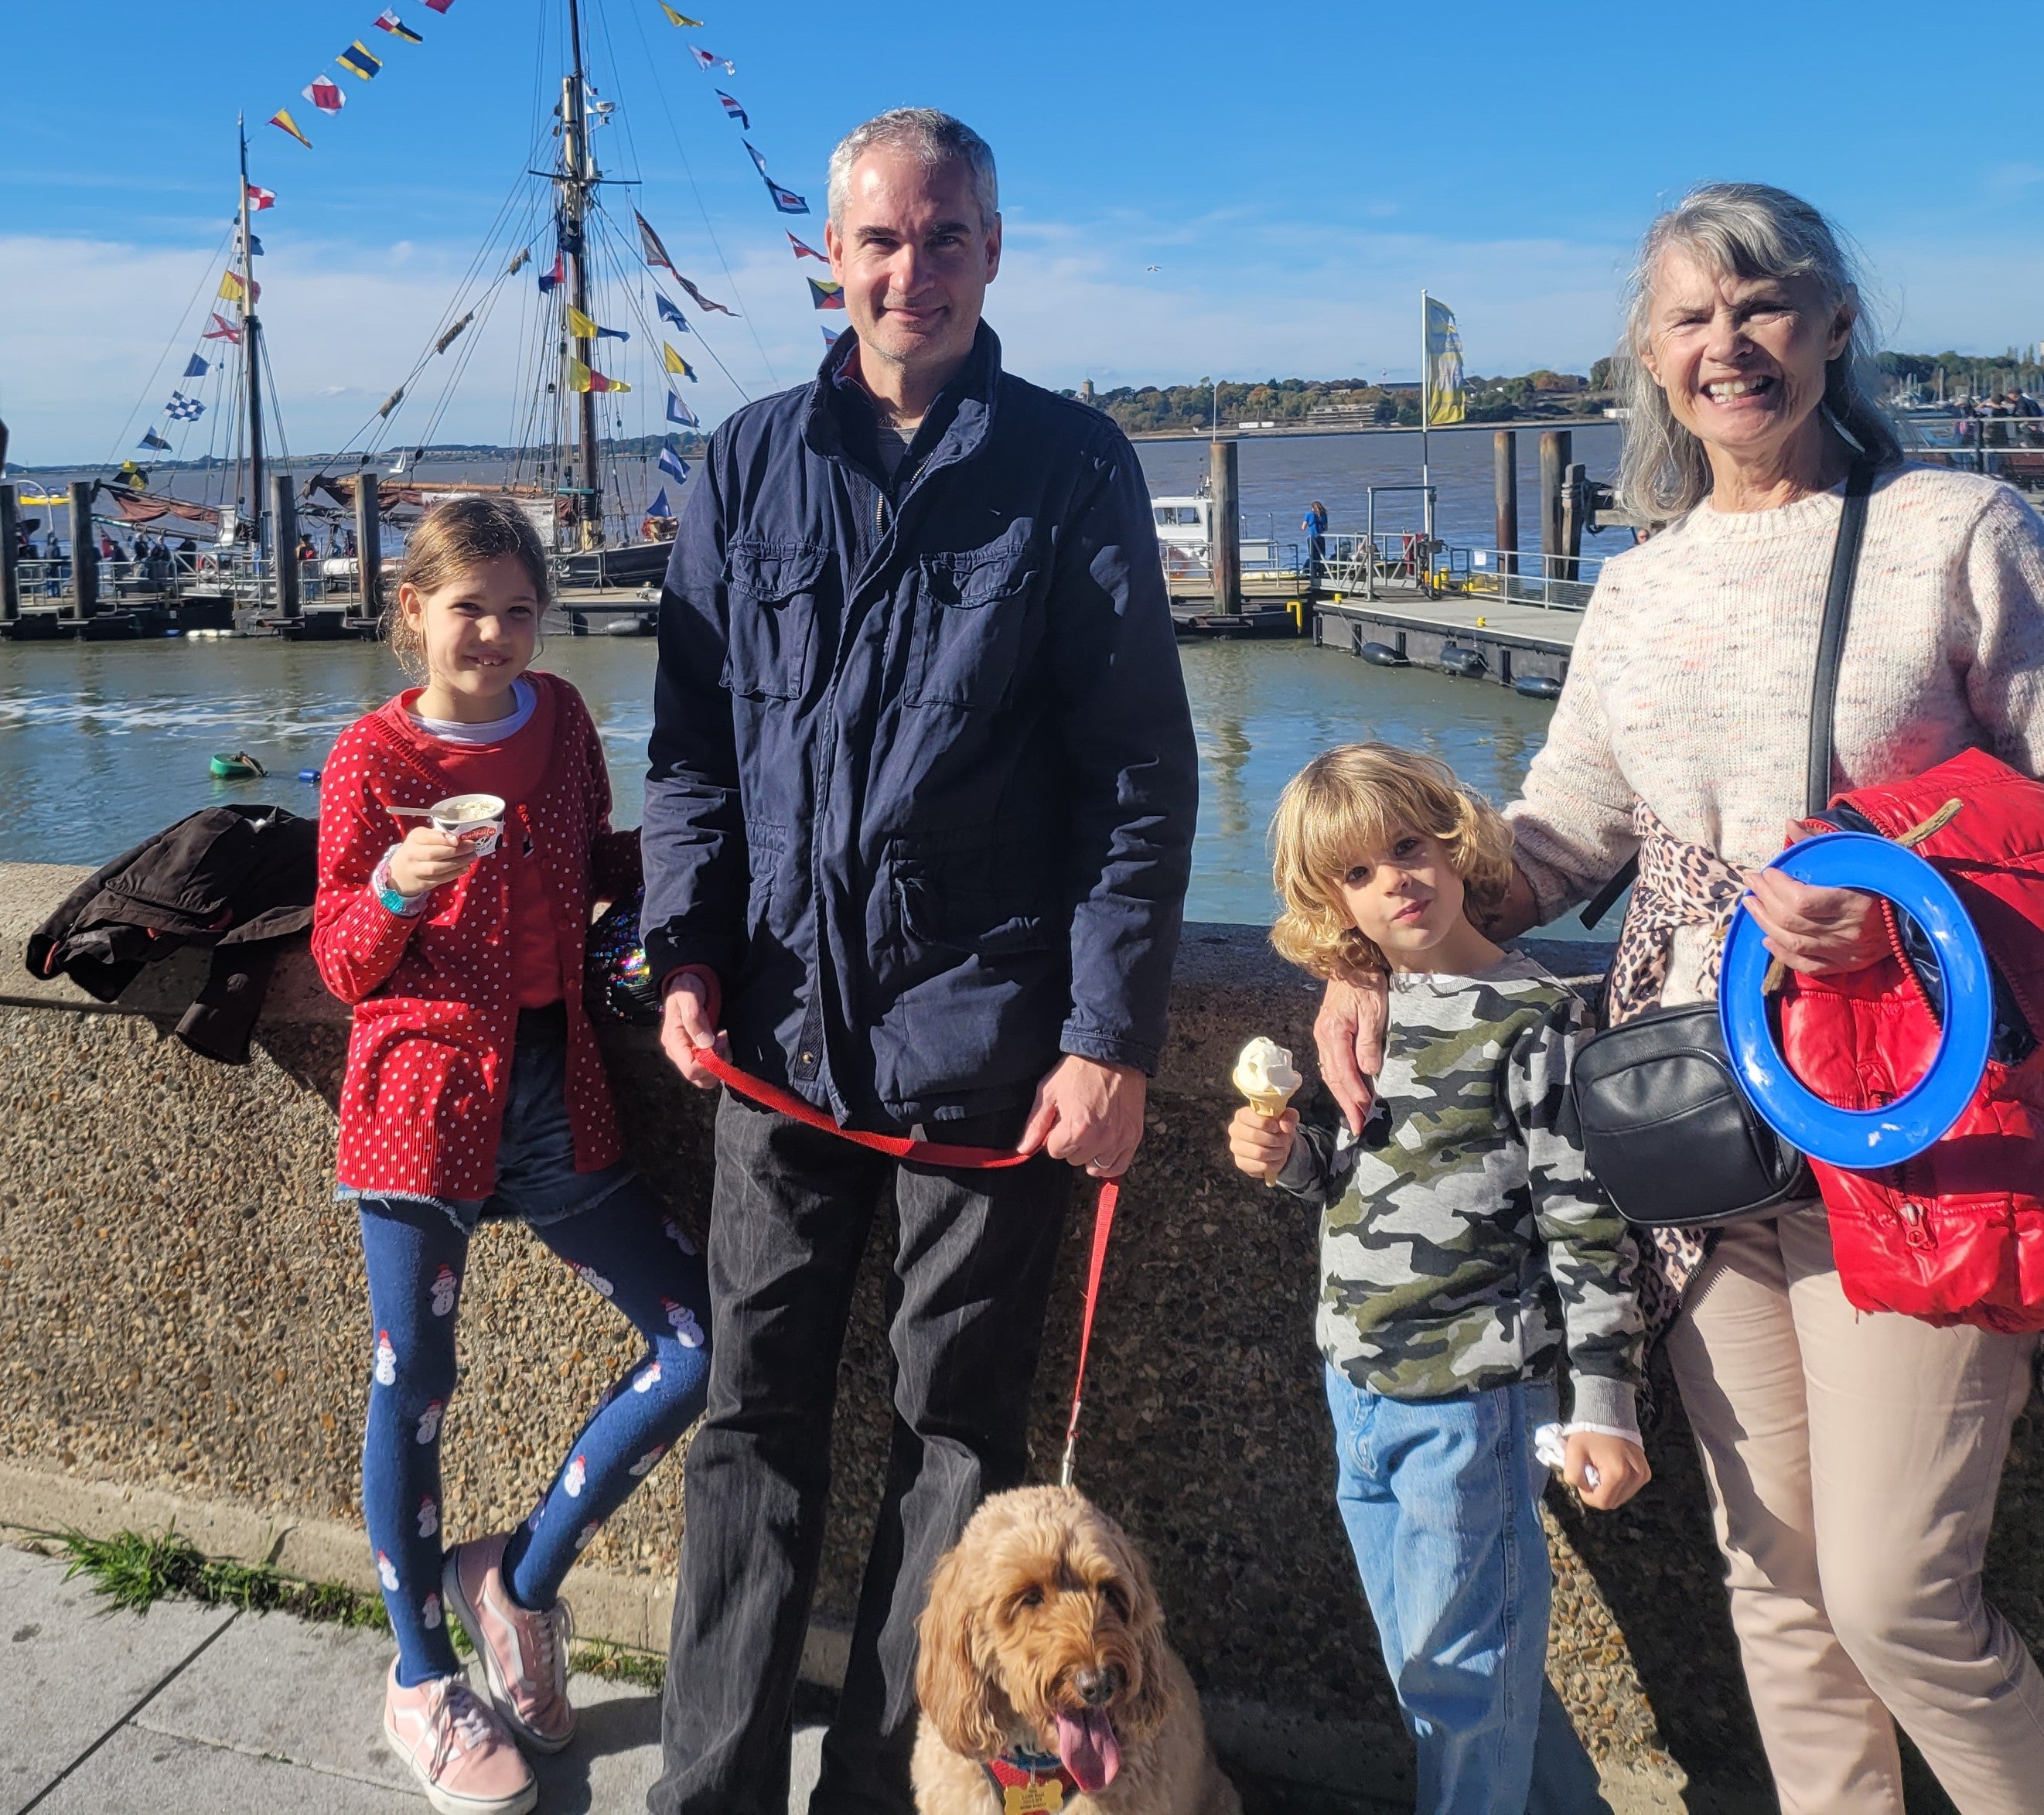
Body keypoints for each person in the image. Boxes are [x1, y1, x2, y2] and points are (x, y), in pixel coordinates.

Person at [1311, 183, 2044, 1815]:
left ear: (1835, 323)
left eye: (1764, 304)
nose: (1730, 344)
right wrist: (1365, 957)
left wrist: (1910, 926)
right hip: (1704, 1131)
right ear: (1647, 352)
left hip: (1913, 1126)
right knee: (1773, 1583)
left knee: (1898, 1594)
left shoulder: (1960, 532)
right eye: (1693, 317)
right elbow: (1554, 840)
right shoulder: (1636, 593)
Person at [642, 107, 1197, 1815]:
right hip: (779, 1035)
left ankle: (896, 1793)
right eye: (880, 240)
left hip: (987, 1045)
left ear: (993, 253)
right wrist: (682, 944)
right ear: (833, 255)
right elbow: (686, 753)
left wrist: (1110, 1033)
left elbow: (1136, 774)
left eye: (944, 237)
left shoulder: (1071, 462)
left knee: (954, 1440)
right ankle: (711, 1789)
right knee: (750, 1426)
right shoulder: (740, 465)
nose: (911, 270)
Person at [313, 496, 715, 1815]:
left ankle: (518, 1575)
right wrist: (396, 885)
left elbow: (593, 867)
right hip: (419, 1108)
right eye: (466, 605)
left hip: (555, 1095)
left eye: (517, 608)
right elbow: (339, 961)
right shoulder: (369, 760)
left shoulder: (559, 725)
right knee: (412, 1378)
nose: (491, 631)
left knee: (697, 1341)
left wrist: (706, 844)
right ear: (413, 611)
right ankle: (422, 1676)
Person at [1227, 744, 1642, 1815]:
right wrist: (1294, 1161)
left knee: (1458, 1677)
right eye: (1358, 874)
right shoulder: (1377, 1007)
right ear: (1333, 907)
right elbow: (1361, 1181)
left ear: (1454, 841)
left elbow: (1583, 1218)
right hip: (1357, 1382)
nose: (1395, 880)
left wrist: (1604, 1401)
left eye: (1407, 847)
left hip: (1473, 1400)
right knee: (1440, 1665)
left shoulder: (1537, 1013)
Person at [1303, 496, 1329, 598]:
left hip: (1312, 538)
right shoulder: (1323, 515)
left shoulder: (1309, 514)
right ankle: (1321, 573)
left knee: (1312, 556)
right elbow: (1326, 528)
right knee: (1322, 556)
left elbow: (1303, 527)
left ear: (1312, 508)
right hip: (1321, 537)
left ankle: (1313, 575)